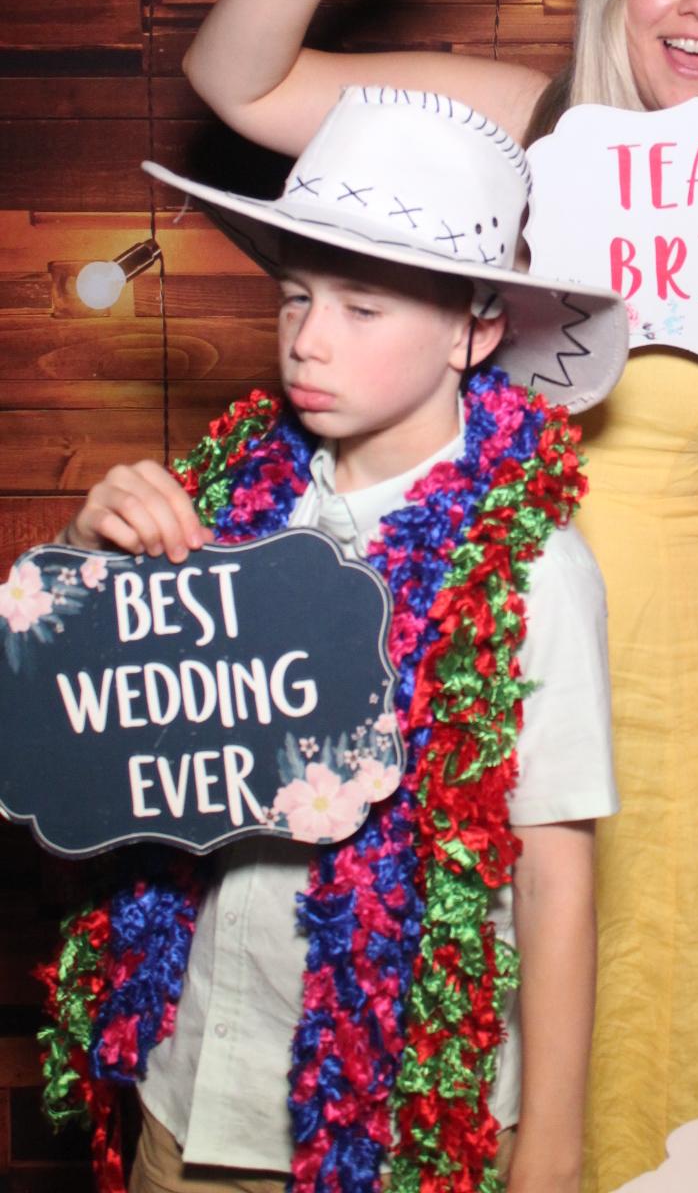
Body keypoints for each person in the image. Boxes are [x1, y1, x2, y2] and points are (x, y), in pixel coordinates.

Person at [181, 0, 698, 1187]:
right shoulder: (522, 132)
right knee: (449, 1093)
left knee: (672, 1103)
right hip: (471, 699)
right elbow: (233, 83)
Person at [39, 87, 629, 1193]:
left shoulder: (528, 568)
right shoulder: (221, 504)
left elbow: (554, 874)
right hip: (183, 1082)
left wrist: (550, 1146)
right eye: (297, 295)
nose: (308, 339)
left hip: (383, 1135)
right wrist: (87, 571)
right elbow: (77, 753)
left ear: (474, 327)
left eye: (362, 309)